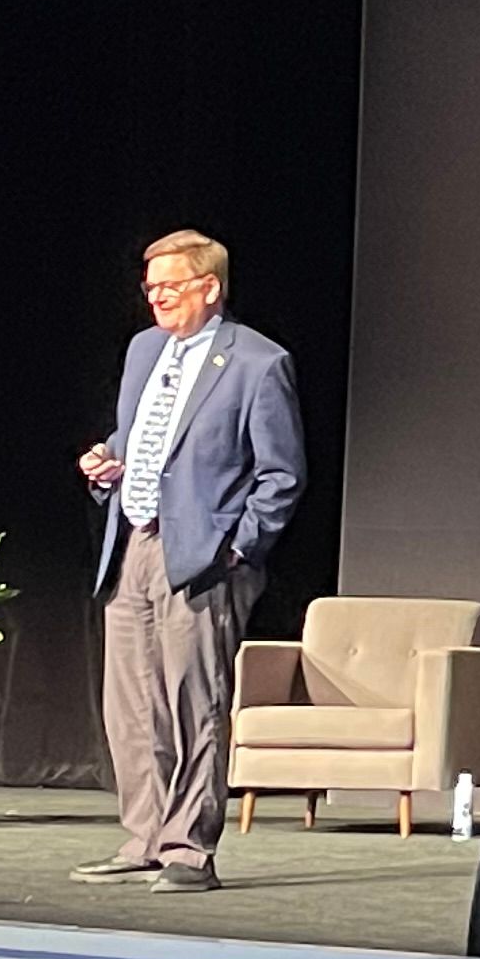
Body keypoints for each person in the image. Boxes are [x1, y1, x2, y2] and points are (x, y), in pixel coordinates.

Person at [72, 230, 303, 891]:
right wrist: (106, 464)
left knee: (192, 702)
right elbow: (140, 438)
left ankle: (188, 851)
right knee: (131, 705)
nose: (157, 298)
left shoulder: (258, 362)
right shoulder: (144, 350)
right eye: (150, 287)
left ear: (210, 287)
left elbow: (282, 475)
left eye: (170, 285)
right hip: (133, 542)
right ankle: (144, 838)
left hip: (204, 556)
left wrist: (238, 547)